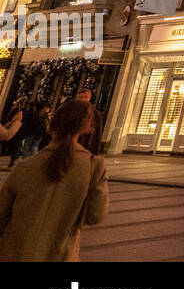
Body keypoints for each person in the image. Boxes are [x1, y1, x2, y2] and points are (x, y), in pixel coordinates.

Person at [0, 100, 108, 261]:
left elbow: (2, 214)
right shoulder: (94, 167)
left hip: (14, 252)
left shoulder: (25, 166)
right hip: (60, 254)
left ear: (53, 124)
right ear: (86, 128)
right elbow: (95, 216)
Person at [74, 88, 103, 155]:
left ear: (90, 98)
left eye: (86, 97)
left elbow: (97, 135)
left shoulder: (96, 114)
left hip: (87, 147)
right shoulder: (72, 111)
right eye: (81, 97)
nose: (84, 99)